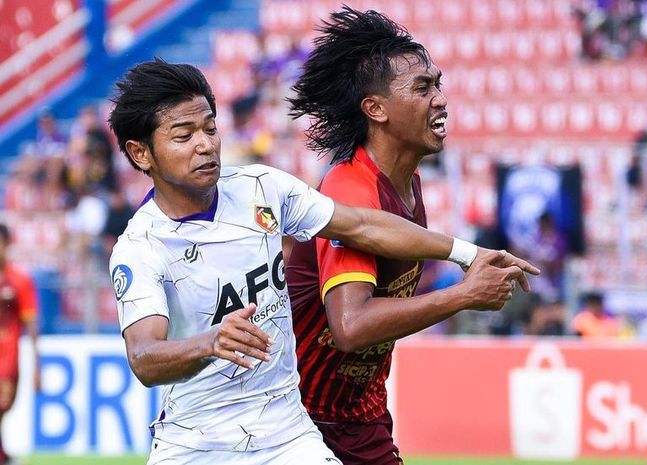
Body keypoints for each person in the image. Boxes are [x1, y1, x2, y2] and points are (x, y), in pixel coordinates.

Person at [107, 58, 536, 465]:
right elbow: (145, 357)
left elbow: (364, 226)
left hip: (287, 433)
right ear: (141, 154)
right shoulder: (140, 248)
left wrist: (468, 253)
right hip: (197, 442)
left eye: (210, 128)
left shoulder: (262, 187)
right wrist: (210, 341)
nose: (205, 145)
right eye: (184, 136)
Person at [285, 7, 539, 464]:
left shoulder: (406, 184)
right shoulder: (351, 190)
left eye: (437, 84)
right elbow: (351, 327)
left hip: (358, 413)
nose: (440, 99)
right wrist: (463, 295)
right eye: (422, 88)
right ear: (376, 109)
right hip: (304, 420)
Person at [0, 223, 41, 465]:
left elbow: (32, 324)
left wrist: (37, 365)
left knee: (4, 406)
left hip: (7, 358)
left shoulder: (20, 280)